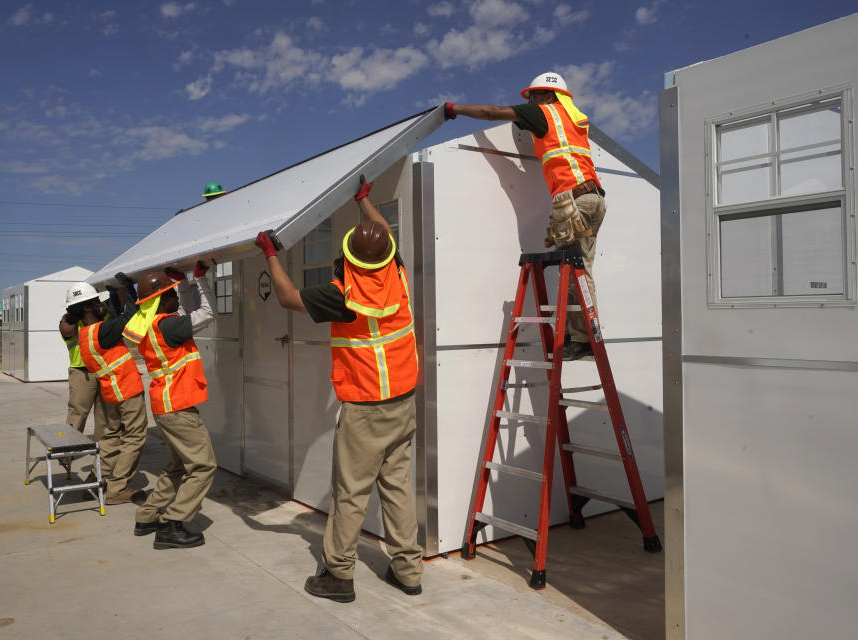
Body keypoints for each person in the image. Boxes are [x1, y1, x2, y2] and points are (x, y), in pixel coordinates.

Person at [255, 175, 423, 603]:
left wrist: (271, 255)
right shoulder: (398, 276)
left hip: (366, 409)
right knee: (398, 486)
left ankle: (338, 575)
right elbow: (383, 235)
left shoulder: (343, 295)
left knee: (350, 493)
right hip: (403, 402)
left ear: (349, 257)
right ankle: (408, 570)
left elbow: (289, 297)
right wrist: (365, 201)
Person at [445, 72, 607, 360]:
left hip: (572, 200)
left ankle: (583, 340)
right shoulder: (572, 118)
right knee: (581, 268)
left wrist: (455, 109)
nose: (529, 101)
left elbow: (492, 112)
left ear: (546, 95)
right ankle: (583, 335)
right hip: (593, 198)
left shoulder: (543, 112)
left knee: (573, 270)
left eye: (532, 95)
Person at [125, 262, 217, 549]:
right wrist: (200, 278)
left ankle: (148, 515)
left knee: (178, 466)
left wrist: (184, 282)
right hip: (178, 407)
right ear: (161, 299)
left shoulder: (155, 326)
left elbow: (186, 313)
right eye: (172, 293)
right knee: (203, 466)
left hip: (165, 406)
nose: (176, 297)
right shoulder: (169, 326)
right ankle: (172, 524)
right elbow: (207, 314)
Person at [71, 274, 149, 505]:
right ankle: (117, 488)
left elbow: (114, 317)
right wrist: (129, 287)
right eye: (96, 302)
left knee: (111, 437)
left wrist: (114, 293)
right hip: (126, 390)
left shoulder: (88, 333)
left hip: (111, 393)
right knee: (135, 437)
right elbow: (129, 316)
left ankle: (95, 480)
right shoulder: (103, 332)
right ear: (87, 308)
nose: (100, 304)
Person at [59, 284, 109, 440]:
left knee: (104, 413)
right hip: (82, 372)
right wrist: (77, 312)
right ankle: (68, 447)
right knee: (78, 412)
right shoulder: (69, 319)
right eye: (92, 302)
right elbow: (66, 330)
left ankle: (103, 447)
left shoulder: (101, 312)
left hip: (103, 369)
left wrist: (118, 287)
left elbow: (117, 305)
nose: (96, 304)